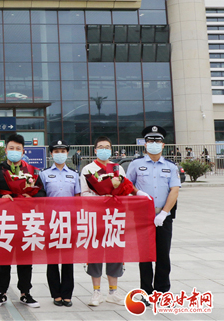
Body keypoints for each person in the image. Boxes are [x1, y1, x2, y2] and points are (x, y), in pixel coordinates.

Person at [79, 136, 144, 306]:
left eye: (107, 147)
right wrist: (101, 197)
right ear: (95, 150)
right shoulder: (88, 169)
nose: (104, 150)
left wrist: (117, 195)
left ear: (111, 149)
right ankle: (96, 292)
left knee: (114, 252)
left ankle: (113, 292)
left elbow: (124, 189)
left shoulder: (117, 168)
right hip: (95, 216)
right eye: (100, 147)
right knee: (95, 252)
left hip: (114, 216)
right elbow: (84, 194)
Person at [0, 133, 45, 309]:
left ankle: (25, 293)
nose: (14, 151)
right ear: (6, 150)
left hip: (26, 220)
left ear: (23, 151)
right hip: (4, 220)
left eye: (18, 149)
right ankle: (1, 293)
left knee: (25, 258)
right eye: (11, 148)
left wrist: (31, 197)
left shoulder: (32, 171)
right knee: (3, 258)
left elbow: (42, 192)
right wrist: (1, 198)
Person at [126, 125, 181, 299]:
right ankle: (146, 291)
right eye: (150, 141)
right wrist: (137, 192)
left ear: (163, 145)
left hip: (163, 217)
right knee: (145, 256)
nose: (154, 144)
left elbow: (174, 190)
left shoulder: (170, 166)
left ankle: (162, 292)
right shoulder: (136, 164)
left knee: (163, 255)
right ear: (145, 144)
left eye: (157, 141)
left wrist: (164, 213)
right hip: (143, 216)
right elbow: (127, 185)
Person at [39, 140, 80, 307]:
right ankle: (56, 294)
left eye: (63, 151)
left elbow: (78, 198)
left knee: (68, 260)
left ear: (67, 153)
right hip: (51, 221)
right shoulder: (44, 174)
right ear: (51, 154)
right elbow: (40, 197)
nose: (60, 154)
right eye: (56, 151)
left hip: (69, 221)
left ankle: (67, 294)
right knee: (53, 259)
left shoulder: (74, 174)